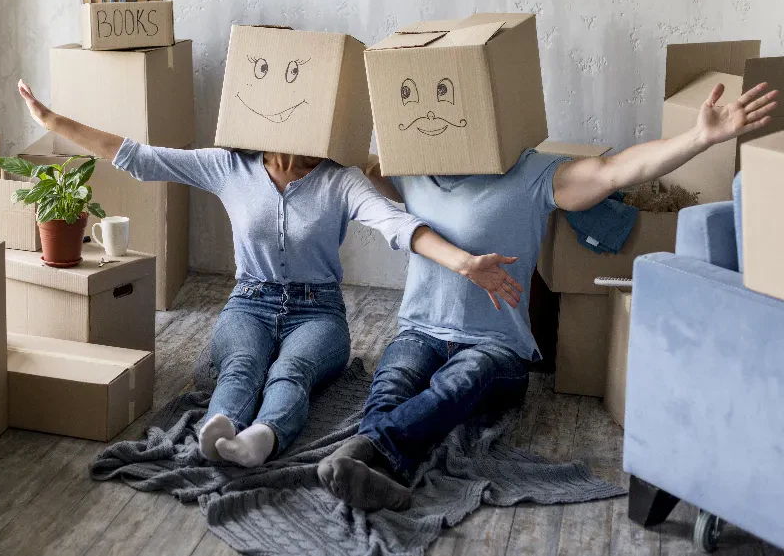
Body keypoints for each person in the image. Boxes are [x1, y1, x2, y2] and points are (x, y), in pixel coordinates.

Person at [319, 80, 780, 511]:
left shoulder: (532, 174)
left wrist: (701, 137)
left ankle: (375, 452)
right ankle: (379, 470)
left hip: (496, 348)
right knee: (392, 383)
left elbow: (617, 170)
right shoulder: (412, 170)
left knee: (461, 380)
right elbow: (349, 159)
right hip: (420, 330)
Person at [14, 79, 526, 467]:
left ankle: (262, 439)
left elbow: (395, 223)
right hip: (249, 301)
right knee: (242, 364)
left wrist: (466, 263)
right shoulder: (228, 167)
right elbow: (140, 158)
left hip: (319, 311)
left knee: (291, 370)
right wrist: (53, 120)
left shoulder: (339, 180)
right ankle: (221, 429)